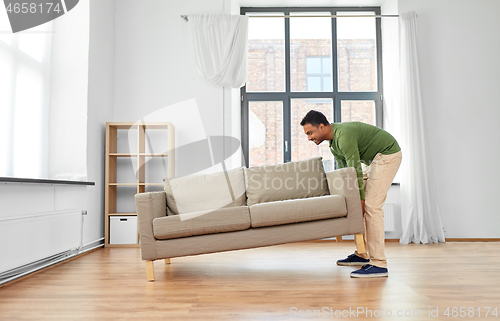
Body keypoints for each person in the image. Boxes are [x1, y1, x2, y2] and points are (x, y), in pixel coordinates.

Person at [300, 110, 402, 278]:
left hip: (387, 155)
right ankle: (362, 254)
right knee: (358, 205)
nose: (309, 138)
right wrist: (350, 200)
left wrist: (360, 200)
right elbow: (347, 174)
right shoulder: (334, 145)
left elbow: (355, 169)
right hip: (373, 161)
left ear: (322, 126)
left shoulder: (344, 136)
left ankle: (379, 264)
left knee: (371, 206)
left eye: (310, 133)